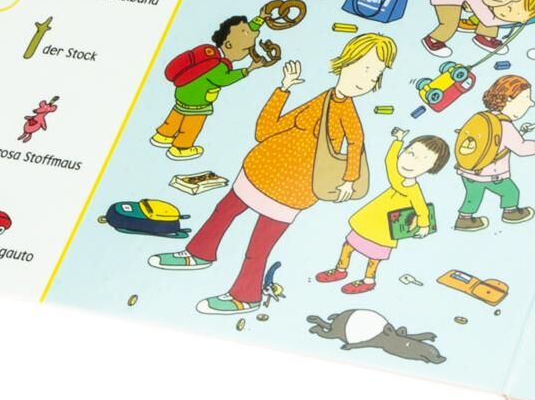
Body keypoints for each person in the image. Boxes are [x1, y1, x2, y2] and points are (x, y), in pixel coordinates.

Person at [148, 34, 394, 316]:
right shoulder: (322, 99)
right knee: (222, 212)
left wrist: (350, 179)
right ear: (346, 62)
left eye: (376, 74)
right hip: (259, 173)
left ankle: (245, 296)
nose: (368, 79)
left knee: (258, 247)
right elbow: (266, 130)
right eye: (365, 67)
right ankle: (198, 253)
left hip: (290, 191)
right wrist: (283, 90)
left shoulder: (346, 112)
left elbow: (356, 144)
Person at [317, 128, 448, 293]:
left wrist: (423, 226)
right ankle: (340, 270)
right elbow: (390, 162)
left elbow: (422, 209)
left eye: (423, 160)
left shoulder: (414, 191)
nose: (411, 162)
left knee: (374, 258)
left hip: (385, 231)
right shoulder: (397, 180)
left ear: (432, 167)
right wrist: (398, 141)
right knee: (348, 245)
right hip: (368, 223)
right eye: (410, 153)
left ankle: (368, 280)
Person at [151, 14, 266, 160]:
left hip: (182, 93)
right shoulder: (219, 66)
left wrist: (261, 18)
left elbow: (249, 29)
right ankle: (181, 147)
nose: (248, 53)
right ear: (229, 45)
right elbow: (224, 79)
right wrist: (248, 69)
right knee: (192, 125)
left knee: (176, 116)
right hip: (198, 102)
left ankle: (162, 135)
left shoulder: (210, 55)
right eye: (246, 50)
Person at [454, 74, 535, 230]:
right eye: (526, 98)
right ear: (509, 99)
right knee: (510, 191)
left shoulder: (483, 117)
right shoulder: (505, 125)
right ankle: (511, 213)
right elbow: (521, 148)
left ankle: (464, 219)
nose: (531, 103)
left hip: (468, 170)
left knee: (473, 196)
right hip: (492, 175)